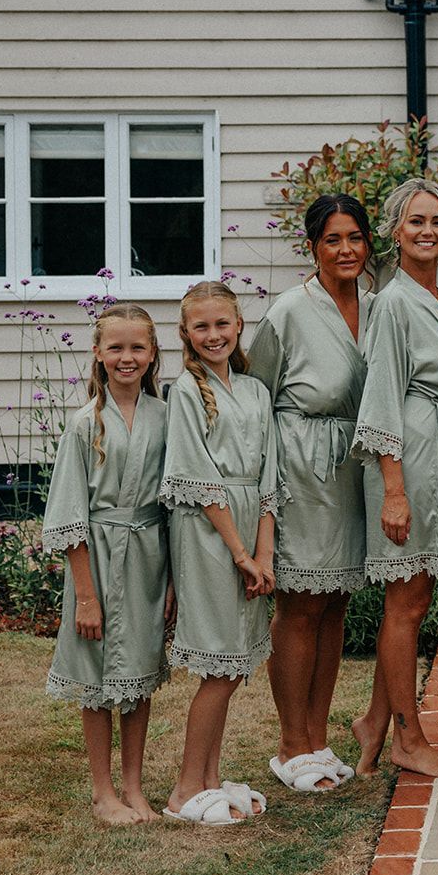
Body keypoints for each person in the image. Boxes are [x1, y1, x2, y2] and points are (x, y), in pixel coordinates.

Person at [349, 178, 438, 779]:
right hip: (410, 451)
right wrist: (393, 488)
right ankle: (408, 737)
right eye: (416, 222)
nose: (429, 231)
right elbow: (380, 398)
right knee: (406, 599)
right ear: (395, 231)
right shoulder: (396, 302)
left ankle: (375, 721)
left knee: (416, 595)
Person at [247, 194, 374, 793]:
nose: (345, 250)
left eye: (355, 237)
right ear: (313, 247)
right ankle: (290, 744)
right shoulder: (289, 312)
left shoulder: (377, 307)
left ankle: (319, 740)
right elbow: (255, 398)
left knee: (336, 604)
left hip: (355, 470)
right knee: (299, 605)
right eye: (333, 240)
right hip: (300, 470)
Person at [42, 303, 170, 825]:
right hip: (96, 558)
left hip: (148, 557)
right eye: (115, 347)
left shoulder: (167, 416)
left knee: (138, 670)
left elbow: (174, 502)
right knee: (96, 677)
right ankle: (102, 792)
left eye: (137, 347)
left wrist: (175, 582)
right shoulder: (83, 423)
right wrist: (87, 596)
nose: (126, 357)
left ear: (153, 352)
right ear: (97, 353)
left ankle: (135, 787)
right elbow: (70, 513)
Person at [161, 281, 282, 825]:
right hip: (211, 535)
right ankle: (185, 789)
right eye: (201, 326)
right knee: (218, 663)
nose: (214, 335)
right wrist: (239, 553)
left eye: (222, 324)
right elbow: (198, 477)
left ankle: (211, 779)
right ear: (186, 334)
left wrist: (266, 553)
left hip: (250, 530)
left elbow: (268, 476)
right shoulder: (185, 390)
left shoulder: (255, 391)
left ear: (238, 327)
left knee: (234, 663)